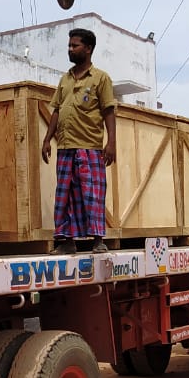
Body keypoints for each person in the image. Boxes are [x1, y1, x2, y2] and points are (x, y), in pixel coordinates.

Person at [41, 28, 118, 254]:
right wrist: (47, 139)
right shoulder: (65, 79)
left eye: (75, 46)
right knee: (64, 196)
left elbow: (108, 111)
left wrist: (111, 143)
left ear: (88, 49)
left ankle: (97, 240)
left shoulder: (100, 78)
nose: (70, 49)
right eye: (69, 45)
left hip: (90, 147)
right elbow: (56, 111)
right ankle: (67, 242)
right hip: (65, 147)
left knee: (92, 194)